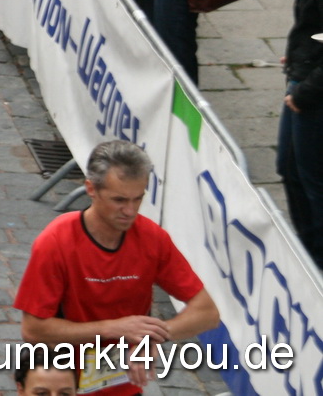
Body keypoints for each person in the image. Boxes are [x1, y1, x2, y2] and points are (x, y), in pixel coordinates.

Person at [16, 140, 220, 394]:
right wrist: (114, 329)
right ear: (91, 189)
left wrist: (152, 336)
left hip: (122, 384)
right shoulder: (56, 241)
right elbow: (33, 329)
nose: (130, 211)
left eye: (138, 199)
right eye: (119, 200)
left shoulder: (152, 238)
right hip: (64, 385)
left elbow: (207, 313)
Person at [278, 0, 323, 266]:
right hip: (303, 77)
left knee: (311, 179)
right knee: (289, 168)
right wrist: (301, 52)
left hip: (311, 94)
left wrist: (305, 90)